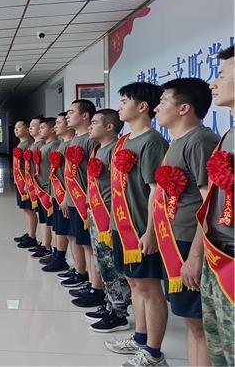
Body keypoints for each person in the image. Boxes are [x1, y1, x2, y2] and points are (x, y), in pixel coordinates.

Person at [154, 78, 219, 366]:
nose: (157, 108)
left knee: (198, 322)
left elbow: (210, 205)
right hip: (174, 238)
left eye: (163, 101)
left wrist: (195, 256)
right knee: (191, 320)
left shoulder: (200, 141)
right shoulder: (178, 141)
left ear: (184, 108)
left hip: (190, 243)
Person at [106, 82, 169, 367]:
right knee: (134, 284)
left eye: (124, 101)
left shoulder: (152, 142)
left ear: (142, 106)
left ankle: (154, 352)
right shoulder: (124, 141)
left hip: (142, 229)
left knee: (149, 288)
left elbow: (157, 191)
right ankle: (140, 337)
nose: (120, 106)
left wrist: (151, 232)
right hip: (122, 227)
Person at [82, 109, 132, 333]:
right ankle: (110, 304)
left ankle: (119, 312)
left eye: (94, 123)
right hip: (96, 214)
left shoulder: (116, 149)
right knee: (102, 262)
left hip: (110, 217)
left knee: (112, 264)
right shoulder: (97, 149)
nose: (90, 127)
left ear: (110, 127)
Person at [200, 45, 234, 366]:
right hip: (217, 256)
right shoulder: (228, 135)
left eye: (222, 75)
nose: (214, 83)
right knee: (220, 347)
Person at [60, 100, 96, 288]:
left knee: (90, 246)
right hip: (74, 200)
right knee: (80, 241)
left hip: (86, 203)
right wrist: (66, 197)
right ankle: (83, 275)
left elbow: (93, 175)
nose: (68, 116)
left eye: (71, 112)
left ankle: (94, 285)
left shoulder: (90, 140)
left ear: (85, 115)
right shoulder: (74, 139)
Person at [42, 112, 75, 273]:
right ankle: (57, 256)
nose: (55, 127)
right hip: (57, 193)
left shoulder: (71, 145)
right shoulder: (62, 144)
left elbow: (72, 176)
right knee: (59, 228)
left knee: (69, 233)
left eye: (59, 123)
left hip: (66, 195)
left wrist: (66, 197)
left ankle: (70, 264)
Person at [31, 118, 61, 259]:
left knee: (52, 223)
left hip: (47, 189)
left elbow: (54, 170)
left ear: (52, 129)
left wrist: (50, 190)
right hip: (40, 188)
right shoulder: (45, 145)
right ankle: (45, 245)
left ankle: (54, 251)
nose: (39, 130)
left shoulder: (54, 145)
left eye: (42, 127)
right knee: (44, 220)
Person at [20, 116, 45, 250]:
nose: (30, 128)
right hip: (29, 183)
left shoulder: (41, 145)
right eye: (30, 125)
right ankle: (31, 235)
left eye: (34, 125)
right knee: (29, 210)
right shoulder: (32, 144)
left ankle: (37, 240)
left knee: (38, 214)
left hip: (38, 185)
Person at [13, 120, 38, 247]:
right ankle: (28, 233)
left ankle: (32, 236)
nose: (16, 129)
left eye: (19, 127)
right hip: (20, 182)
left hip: (26, 182)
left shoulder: (29, 144)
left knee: (29, 210)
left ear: (27, 129)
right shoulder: (21, 143)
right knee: (25, 210)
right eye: (15, 128)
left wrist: (27, 183)